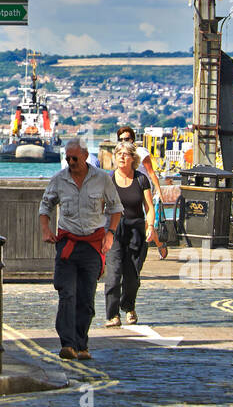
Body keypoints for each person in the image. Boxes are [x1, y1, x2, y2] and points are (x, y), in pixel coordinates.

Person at [39, 138, 122, 360]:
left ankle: (81, 343)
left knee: (86, 298)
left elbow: (116, 208)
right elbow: (45, 205)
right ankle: (67, 344)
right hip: (67, 244)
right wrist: (46, 229)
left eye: (74, 158)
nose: (71, 162)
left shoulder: (102, 179)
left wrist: (110, 234)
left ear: (85, 156)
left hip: (92, 245)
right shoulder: (59, 179)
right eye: (67, 158)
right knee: (67, 294)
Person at [104, 141, 166, 329]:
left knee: (132, 276)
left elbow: (148, 207)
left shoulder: (141, 179)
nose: (122, 157)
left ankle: (128, 306)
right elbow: (99, 206)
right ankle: (112, 314)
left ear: (133, 158)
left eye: (126, 154)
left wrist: (150, 226)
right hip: (114, 230)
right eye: (119, 153)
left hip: (136, 229)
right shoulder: (108, 180)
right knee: (114, 274)